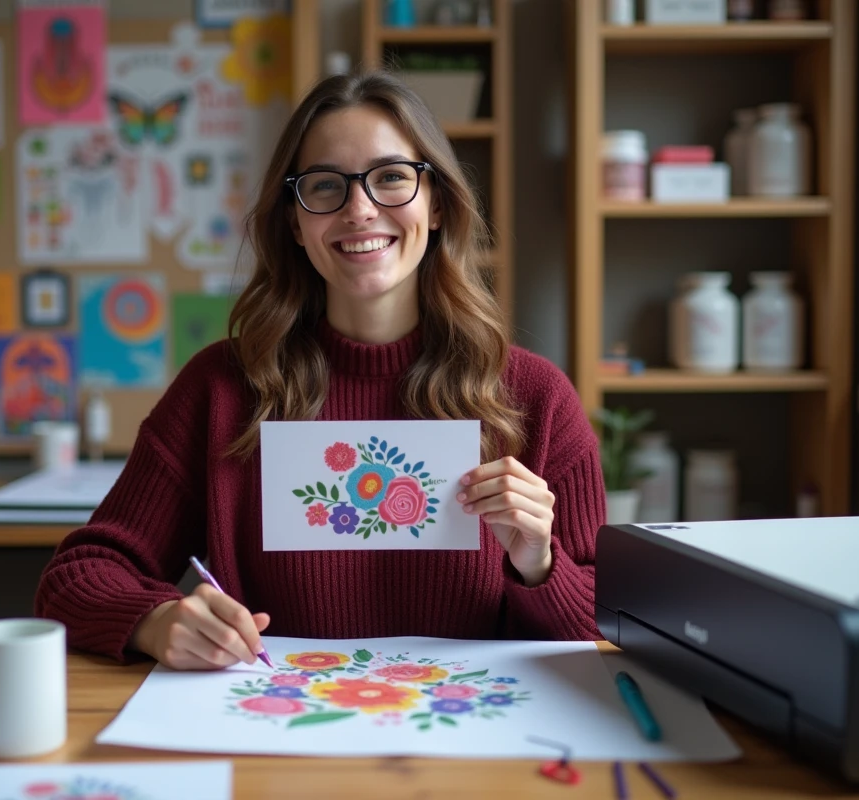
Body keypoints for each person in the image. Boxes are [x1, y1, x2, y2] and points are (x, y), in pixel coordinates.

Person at [34, 70, 606, 670]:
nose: (359, 209)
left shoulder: (534, 398)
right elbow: (75, 578)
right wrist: (155, 620)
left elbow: (607, 621)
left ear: (436, 205)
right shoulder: (223, 389)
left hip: (470, 747)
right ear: (294, 223)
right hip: (280, 735)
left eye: (390, 178)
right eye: (325, 186)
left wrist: (540, 562)